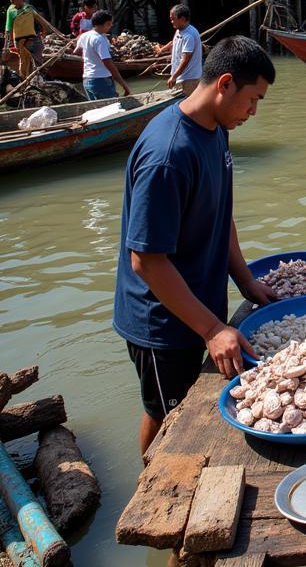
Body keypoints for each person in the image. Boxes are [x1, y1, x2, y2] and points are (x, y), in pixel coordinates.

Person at [113, 37, 278, 456]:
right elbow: (146, 261)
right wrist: (211, 329)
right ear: (225, 84)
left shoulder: (215, 129)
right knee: (167, 415)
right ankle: (151, 482)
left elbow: (222, 214)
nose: (254, 112)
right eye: (253, 100)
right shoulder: (168, 155)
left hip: (199, 304)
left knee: (186, 408)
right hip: (163, 322)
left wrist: (246, 282)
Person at [75, 10, 132, 100]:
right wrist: (124, 85)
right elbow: (108, 63)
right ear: (106, 23)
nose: (111, 26)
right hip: (101, 80)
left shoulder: (84, 36)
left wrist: (90, 56)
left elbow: (77, 51)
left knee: (98, 111)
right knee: (112, 109)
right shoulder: (100, 39)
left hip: (87, 80)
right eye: (110, 24)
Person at [156, 4, 203, 94]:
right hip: (180, 77)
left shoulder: (189, 35)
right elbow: (174, 44)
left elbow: (186, 59)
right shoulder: (179, 30)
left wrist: (174, 76)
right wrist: (164, 49)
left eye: (173, 19)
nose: (171, 21)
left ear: (182, 19)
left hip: (189, 79)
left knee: (189, 105)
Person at [4, 0, 46, 80]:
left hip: (34, 38)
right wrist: (7, 45)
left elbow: (40, 21)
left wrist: (43, 32)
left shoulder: (29, 8)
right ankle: (25, 82)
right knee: (24, 62)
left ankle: (38, 80)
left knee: (37, 61)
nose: (11, 2)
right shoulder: (11, 11)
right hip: (20, 41)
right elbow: (8, 29)